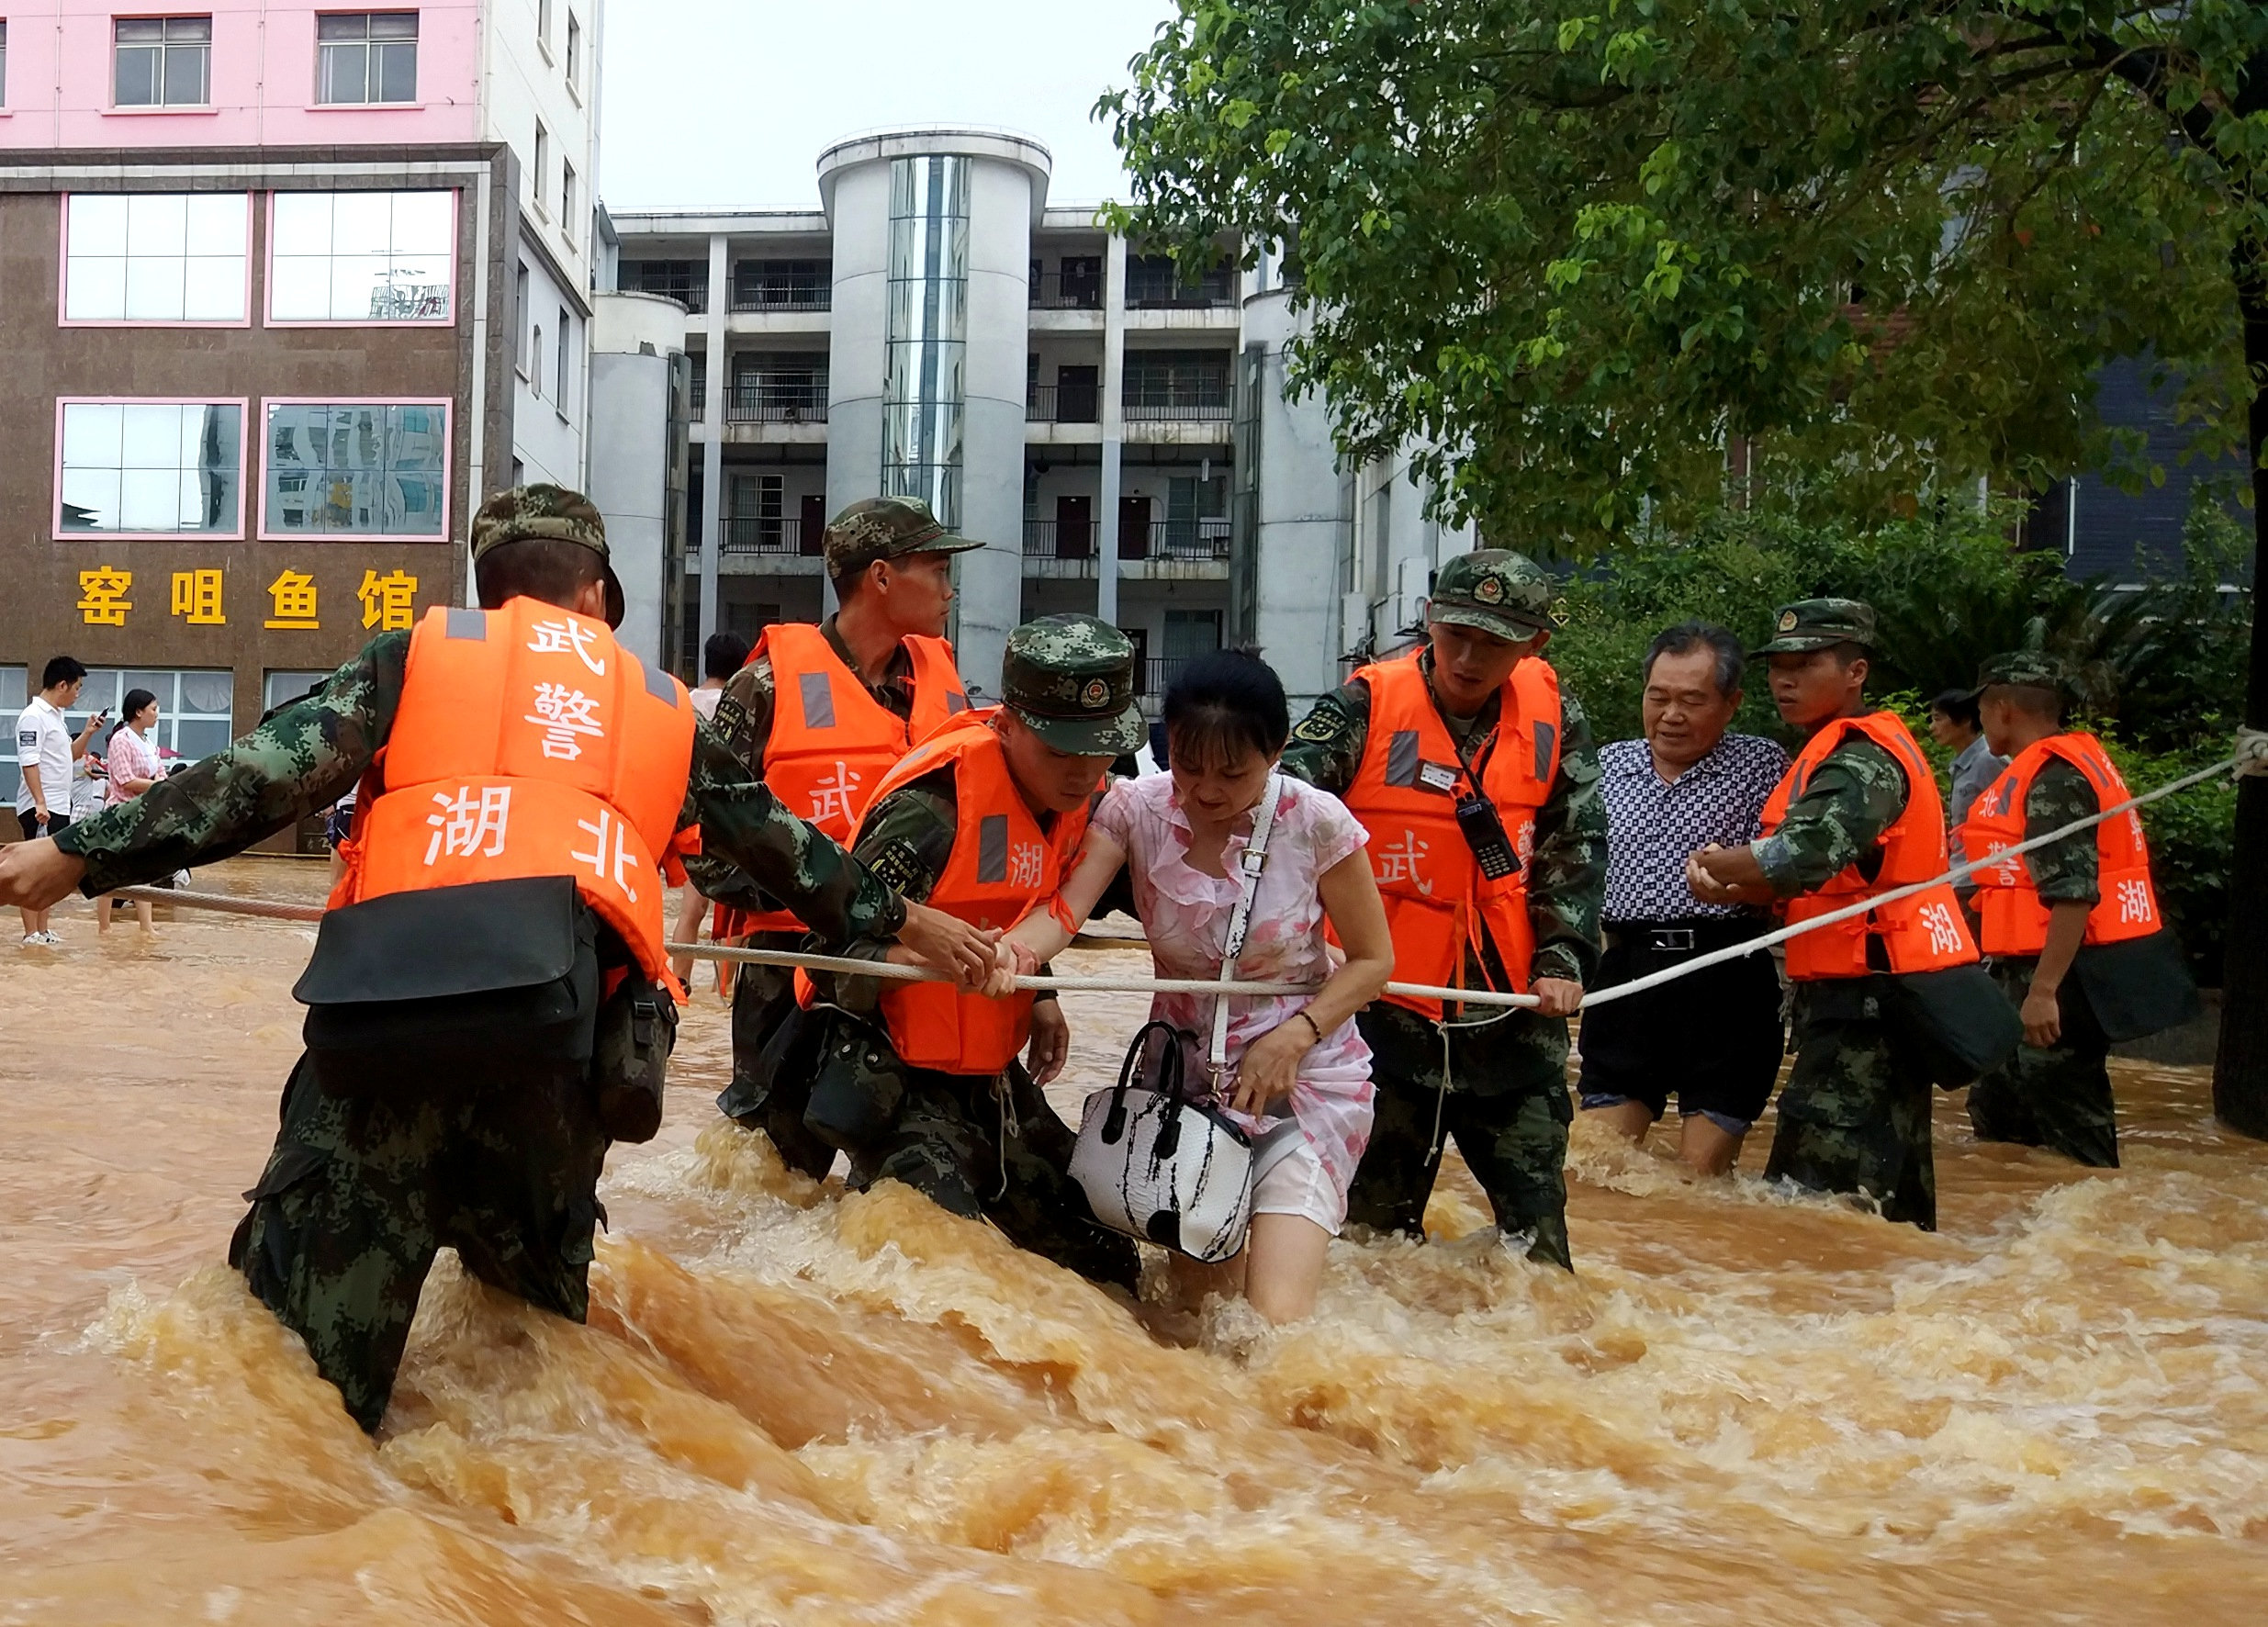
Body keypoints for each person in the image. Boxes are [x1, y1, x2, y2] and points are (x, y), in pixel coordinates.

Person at [0, 485, 994, 1434]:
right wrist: (914, 922)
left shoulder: (420, 657)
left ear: (486, 590)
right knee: (523, 1389)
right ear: (598, 594)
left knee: (296, 1392)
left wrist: (75, 853)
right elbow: (793, 854)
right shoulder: (656, 708)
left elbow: (257, 779)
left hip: (382, 1054)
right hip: (555, 1083)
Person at [996, 650, 1395, 1323]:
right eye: (1187, 764)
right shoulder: (1133, 810)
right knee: (1198, 1318)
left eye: (1232, 772)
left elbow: (1372, 961)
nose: (1206, 789)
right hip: (1183, 1090)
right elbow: (1064, 913)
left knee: (1271, 1322)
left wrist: (1296, 1036)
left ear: (1276, 751)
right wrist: (1008, 956)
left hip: (1303, 1086)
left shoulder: (1317, 821)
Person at [792, 614, 1148, 1291]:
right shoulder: (933, 812)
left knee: (1106, 1259)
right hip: (897, 1078)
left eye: (1100, 752)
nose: (1083, 774)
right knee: (932, 1277)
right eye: (1062, 753)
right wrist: (923, 959)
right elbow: (823, 954)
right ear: (1008, 727)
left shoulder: (1080, 803)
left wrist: (1041, 994)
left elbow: (1030, 904)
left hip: (991, 1075)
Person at [1279, 550, 1607, 1270]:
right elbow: (1280, 817)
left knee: (1540, 1256)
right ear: (1430, 620)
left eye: (1494, 642)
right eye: (1455, 633)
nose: (1467, 656)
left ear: (1534, 646)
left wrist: (1564, 956)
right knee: (1369, 1247)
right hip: (1379, 1018)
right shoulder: (1361, 707)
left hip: (1511, 1015)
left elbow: (1575, 848)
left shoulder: (1558, 718)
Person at [695, 496, 977, 1178]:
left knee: (906, 1193)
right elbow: (708, 852)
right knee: (775, 1178)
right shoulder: (763, 686)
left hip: (913, 971)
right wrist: (834, 893)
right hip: (788, 971)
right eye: (935, 569)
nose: (949, 588)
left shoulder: (944, 688)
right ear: (881, 577)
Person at [1688, 600, 1982, 1230]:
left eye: (1805, 665)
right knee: (1884, 1210)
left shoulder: (1862, 758)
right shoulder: (1836, 751)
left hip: (1867, 1009)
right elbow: (1829, 879)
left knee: (1814, 1212)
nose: (1784, 680)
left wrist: (1719, 864)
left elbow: (1807, 850)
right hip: (1866, 1000)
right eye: (1777, 667)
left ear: (1856, 672)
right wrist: (1739, 890)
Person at [1957, 651, 2195, 1166]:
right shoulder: (2046, 769)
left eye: (1979, 712)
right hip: (2025, 974)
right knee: (1999, 1122)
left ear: (2001, 709)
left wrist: (2043, 992)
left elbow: (2073, 889)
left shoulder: (2055, 776)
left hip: (2061, 980)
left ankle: (2088, 1235)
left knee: (2072, 1132)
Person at [1578, 623, 1790, 1174]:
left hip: (1726, 977)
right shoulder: (1606, 767)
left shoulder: (1765, 767)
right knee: (1595, 1168)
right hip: (1627, 975)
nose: (1671, 715)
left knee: (1698, 1180)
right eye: (1658, 697)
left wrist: (1744, 880)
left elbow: (1798, 864)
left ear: (1731, 703)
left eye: (1692, 700)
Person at [668, 630, 753, 989]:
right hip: (734, 822)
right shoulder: (744, 704)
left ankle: (678, 984)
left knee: (691, 911)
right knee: (746, 911)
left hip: (692, 825)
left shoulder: (682, 702)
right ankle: (730, 987)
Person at [13, 656, 103, 948]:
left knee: (50, 873)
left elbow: (71, 756)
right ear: (61, 684)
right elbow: (29, 762)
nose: (77, 694)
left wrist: (89, 732)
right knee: (34, 871)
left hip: (58, 805)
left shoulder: (56, 717)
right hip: (41, 808)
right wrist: (40, 802)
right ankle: (30, 933)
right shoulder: (33, 716)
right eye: (76, 688)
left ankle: (43, 929)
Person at [95, 689, 164, 934]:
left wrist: (160, 783)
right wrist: (157, 785)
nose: (157, 715)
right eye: (153, 709)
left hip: (143, 813)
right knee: (111, 873)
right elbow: (125, 781)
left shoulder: (148, 743)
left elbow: (161, 771)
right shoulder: (121, 740)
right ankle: (104, 929)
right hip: (120, 813)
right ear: (138, 712)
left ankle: (147, 928)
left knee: (142, 872)